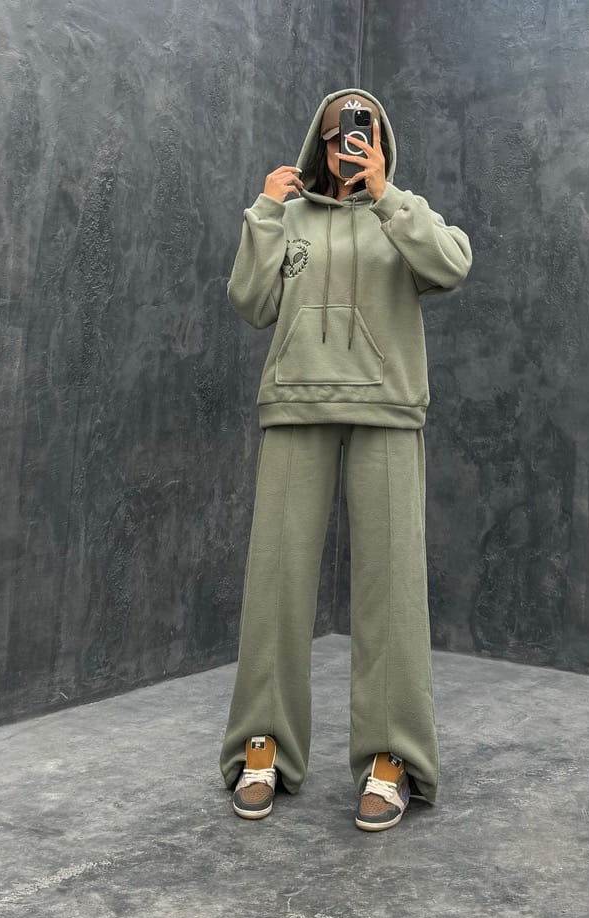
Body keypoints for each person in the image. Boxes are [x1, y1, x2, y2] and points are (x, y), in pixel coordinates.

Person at [219, 88, 472, 831]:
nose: (347, 147)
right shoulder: (289, 215)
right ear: (318, 143)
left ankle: (391, 758)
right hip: (296, 401)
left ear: (381, 141)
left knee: (392, 585)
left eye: (362, 134)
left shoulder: (403, 211)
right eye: (337, 136)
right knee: (276, 581)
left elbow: (451, 265)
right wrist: (264, 212)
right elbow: (249, 302)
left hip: (385, 406)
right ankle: (263, 744)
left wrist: (388, 196)